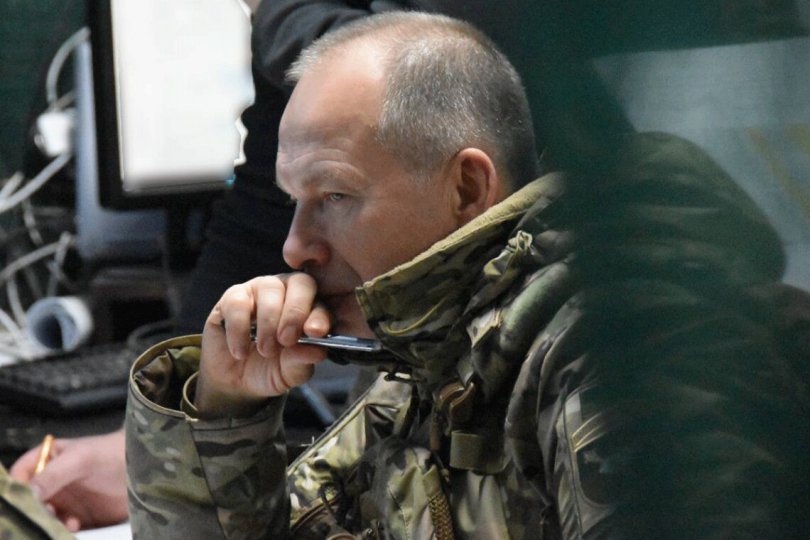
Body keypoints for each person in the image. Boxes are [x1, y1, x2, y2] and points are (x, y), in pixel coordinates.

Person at [125, 11, 810, 539]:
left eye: (334, 196)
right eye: (292, 202)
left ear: (467, 188)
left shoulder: (616, 354)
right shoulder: (422, 361)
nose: (295, 247)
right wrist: (226, 413)